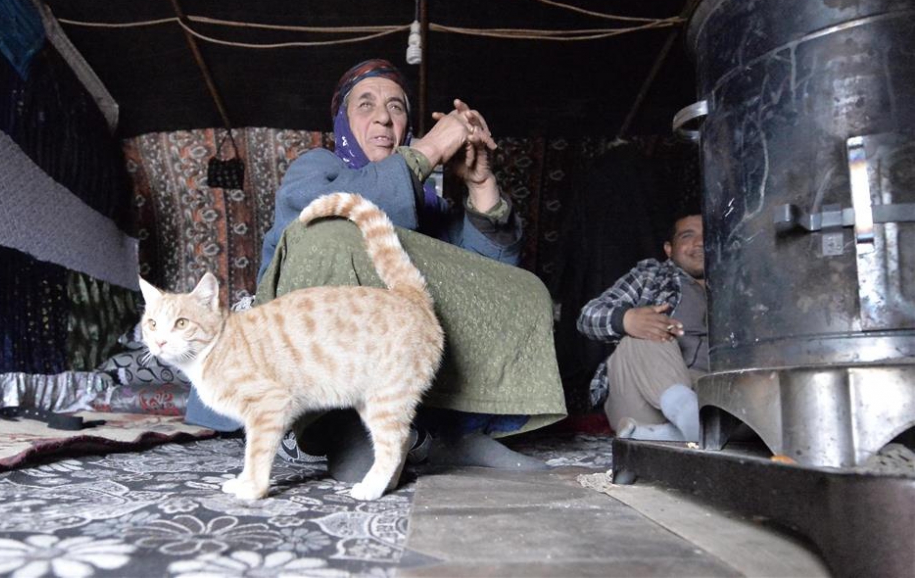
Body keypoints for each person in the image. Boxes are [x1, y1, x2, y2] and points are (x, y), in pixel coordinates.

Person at [185, 58, 566, 480]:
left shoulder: (431, 208)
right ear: (343, 123)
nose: (384, 116)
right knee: (331, 231)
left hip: (402, 374)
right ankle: (344, 427)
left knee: (527, 288)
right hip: (305, 365)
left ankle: (448, 431)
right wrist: (431, 150)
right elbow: (320, 222)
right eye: (365, 105)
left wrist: (480, 184)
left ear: (406, 126)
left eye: (397, 107)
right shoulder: (315, 167)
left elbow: (488, 283)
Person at [577, 213, 707, 442]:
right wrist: (627, 319)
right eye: (688, 235)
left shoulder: (740, 285)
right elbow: (588, 316)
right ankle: (691, 417)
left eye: (708, 236)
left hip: (715, 394)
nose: (700, 242)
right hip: (642, 396)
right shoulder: (652, 274)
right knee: (649, 332)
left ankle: (666, 436)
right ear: (669, 249)